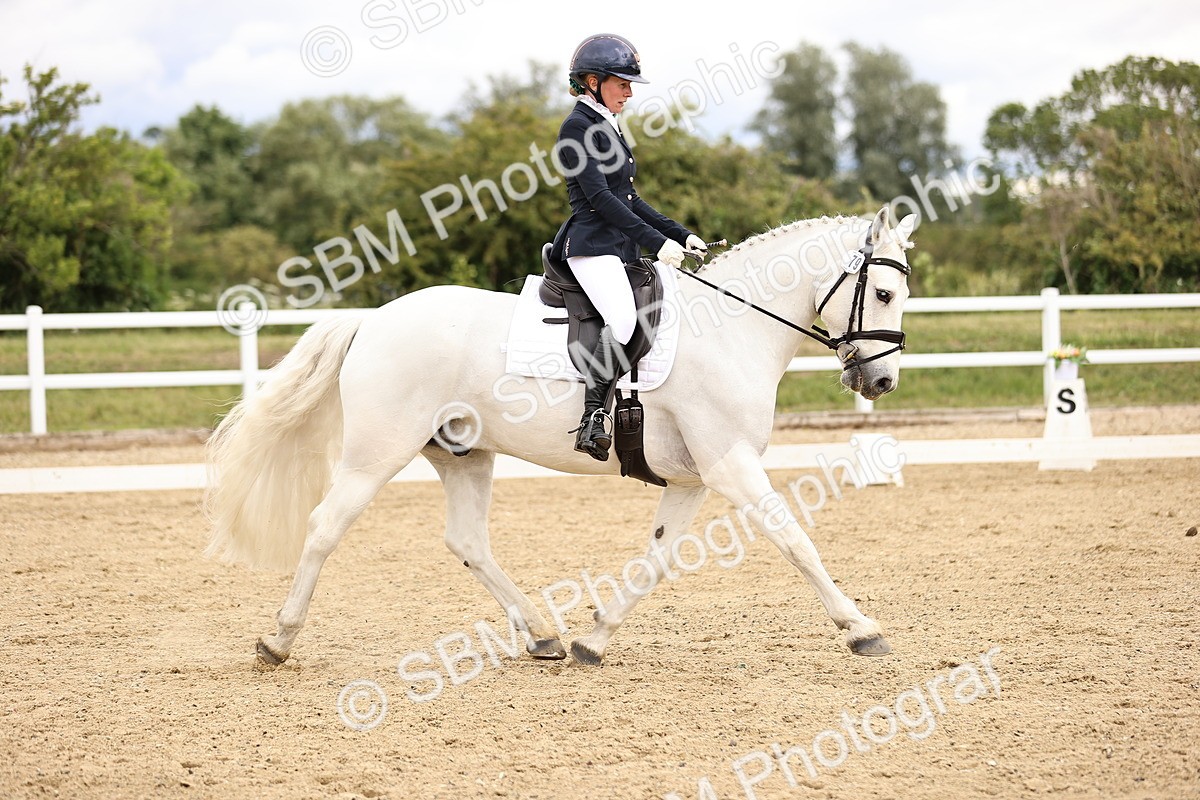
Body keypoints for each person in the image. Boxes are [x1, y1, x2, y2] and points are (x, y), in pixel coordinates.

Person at [550, 33, 707, 462]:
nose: (629, 92)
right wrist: (655, 243)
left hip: (617, 246)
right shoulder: (577, 127)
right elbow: (601, 200)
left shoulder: (607, 124)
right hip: (591, 246)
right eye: (622, 83)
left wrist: (679, 234)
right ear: (591, 81)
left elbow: (630, 199)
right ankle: (593, 417)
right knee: (621, 319)